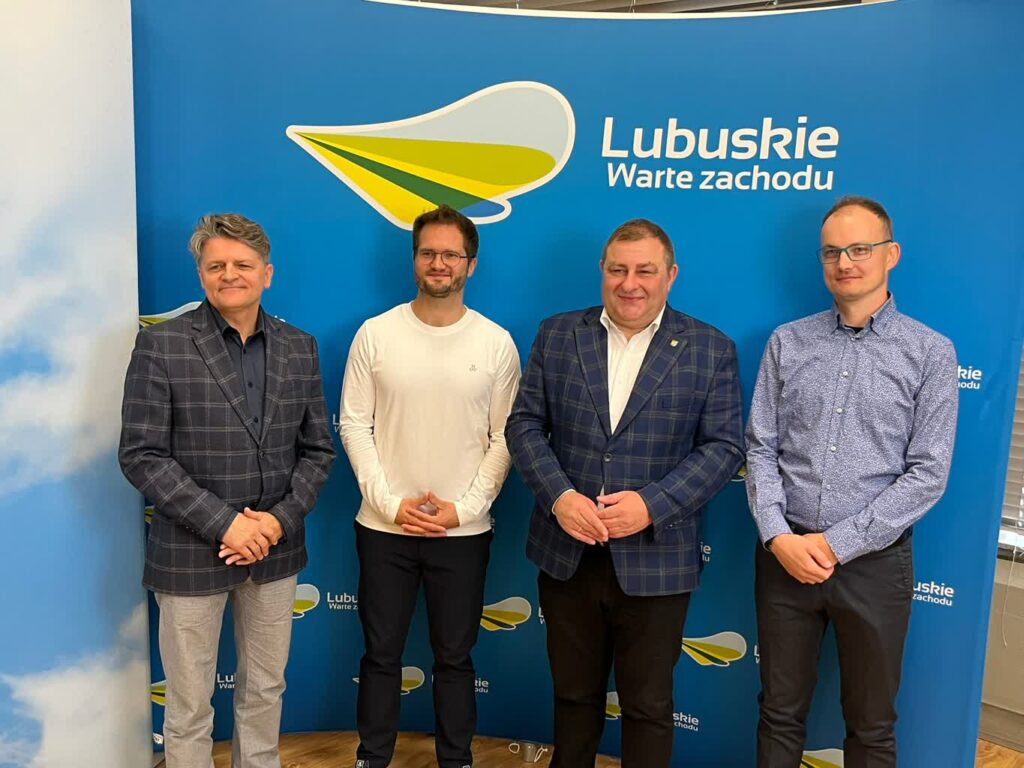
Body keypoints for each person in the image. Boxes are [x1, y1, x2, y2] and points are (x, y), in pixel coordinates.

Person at [505, 218, 744, 768]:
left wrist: (651, 505)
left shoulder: (710, 349)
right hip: (569, 553)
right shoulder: (558, 334)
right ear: (602, 271)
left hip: (658, 559)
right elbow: (524, 425)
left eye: (645, 271)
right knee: (573, 699)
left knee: (649, 706)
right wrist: (560, 497)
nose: (629, 283)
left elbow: (724, 447)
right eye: (618, 269)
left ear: (671, 275)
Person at [745, 195, 958, 767]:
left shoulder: (930, 353)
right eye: (832, 252)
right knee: (778, 713)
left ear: (891, 254)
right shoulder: (787, 342)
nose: (845, 262)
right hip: (785, 558)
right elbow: (760, 448)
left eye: (860, 249)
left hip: (875, 566)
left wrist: (837, 544)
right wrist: (778, 536)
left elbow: (928, 473)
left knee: (871, 725)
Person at [119, 213, 336, 768]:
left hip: (275, 550)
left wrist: (275, 522)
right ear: (201, 274)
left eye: (243, 264)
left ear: (267, 273)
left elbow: (318, 451)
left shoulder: (301, 347)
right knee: (189, 705)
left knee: (265, 689)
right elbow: (142, 455)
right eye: (216, 265)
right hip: (190, 553)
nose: (229, 275)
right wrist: (228, 524)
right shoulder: (161, 346)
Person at [339, 204, 520, 768]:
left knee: (455, 658)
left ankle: (455, 759)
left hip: (462, 534)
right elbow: (354, 425)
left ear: (471, 264)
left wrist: (463, 510)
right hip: (383, 529)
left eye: (450, 254)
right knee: (380, 655)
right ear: (414, 259)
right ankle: (372, 757)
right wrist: (390, 504)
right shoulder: (376, 334)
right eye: (428, 253)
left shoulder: (495, 343)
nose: (438, 263)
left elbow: (506, 437)